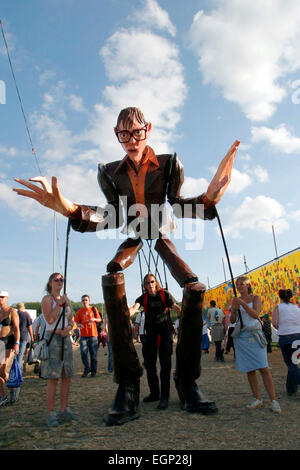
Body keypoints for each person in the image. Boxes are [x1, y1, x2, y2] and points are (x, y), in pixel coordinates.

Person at [13, 106, 239, 424]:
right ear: (117, 135)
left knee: (193, 285)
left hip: (161, 231)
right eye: (123, 134)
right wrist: (68, 208)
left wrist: (209, 197)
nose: (130, 140)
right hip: (133, 233)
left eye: (136, 132)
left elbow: (177, 205)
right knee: (113, 276)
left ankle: (187, 381)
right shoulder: (109, 171)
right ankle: (128, 383)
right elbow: (112, 215)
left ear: (148, 129)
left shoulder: (169, 163)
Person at [129, 273, 181, 410]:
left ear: (156, 282)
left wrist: (181, 311)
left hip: (165, 335)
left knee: (165, 366)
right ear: (144, 285)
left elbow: (175, 306)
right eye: (147, 283)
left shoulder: (165, 295)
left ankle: (165, 397)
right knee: (150, 366)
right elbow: (135, 307)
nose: (150, 285)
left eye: (152, 282)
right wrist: (128, 312)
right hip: (150, 336)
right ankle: (154, 393)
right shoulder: (143, 298)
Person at [230, 276, 281, 413]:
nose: (240, 286)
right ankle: (257, 398)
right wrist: (234, 309)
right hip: (242, 336)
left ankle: (273, 400)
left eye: (242, 284)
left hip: (255, 334)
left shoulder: (255, 298)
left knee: (263, 367)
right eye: (237, 284)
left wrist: (243, 304)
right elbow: (233, 320)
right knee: (250, 369)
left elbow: (255, 314)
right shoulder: (235, 301)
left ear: (248, 285)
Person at [41, 273, 77, 427]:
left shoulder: (65, 298)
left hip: (65, 339)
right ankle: (50, 413)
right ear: (50, 283)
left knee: (66, 374)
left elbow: (72, 319)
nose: (60, 282)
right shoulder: (47, 299)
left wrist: (68, 328)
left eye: (62, 279)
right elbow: (49, 318)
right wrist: (60, 304)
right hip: (53, 340)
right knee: (53, 377)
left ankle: (63, 409)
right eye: (56, 279)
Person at [272, 289, 300, 396]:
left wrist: (282, 328)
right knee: (294, 362)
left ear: (280, 297)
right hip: (298, 336)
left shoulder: (278, 307)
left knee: (290, 364)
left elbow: (274, 323)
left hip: (286, 337)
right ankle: (291, 389)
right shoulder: (296, 308)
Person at [10, 302, 35, 403]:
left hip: (16, 338)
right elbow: (29, 327)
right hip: (24, 337)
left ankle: (17, 369)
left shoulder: (14, 314)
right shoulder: (26, 315)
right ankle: (19, 372)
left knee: (16, 356)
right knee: (21, 356)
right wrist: (32, 338)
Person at [0, 291, 20, 406]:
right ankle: (2, 395)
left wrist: (17, 342)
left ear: (7, 298)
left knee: (2, 369)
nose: (0, 299)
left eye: (2, 297)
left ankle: (13, 387)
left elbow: (16, 328)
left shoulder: (12, 311)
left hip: (8, 341)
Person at [75, 295, 102, 377]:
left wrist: (94, 319)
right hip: (83, 335)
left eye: (86, 300)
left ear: (89, 301)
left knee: (93, 355)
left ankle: (93, 371)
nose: (85, 301)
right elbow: (76, 322)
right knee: (83, 353)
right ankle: (87, 368)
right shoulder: (80, 311)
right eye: (83, 300)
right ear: (81, 301)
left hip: (93, 335)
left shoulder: (93, 309)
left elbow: (100, 319)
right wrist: (79, 325)